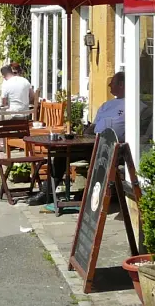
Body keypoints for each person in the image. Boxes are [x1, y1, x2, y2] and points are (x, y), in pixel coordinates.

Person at [28, 71, 129, 207]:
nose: (109, 85)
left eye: (113, 82)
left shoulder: (134, 105)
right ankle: (47, 192)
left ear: (122, 85)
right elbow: (93, 125)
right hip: (93, 143)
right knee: (61, 154)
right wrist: (81, 137)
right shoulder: (107, 105)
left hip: (112, 147)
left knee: (68, 156)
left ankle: (87, 193)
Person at [0, 64, 35, 137]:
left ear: (3, 76)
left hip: (13, 116)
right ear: (11, 72)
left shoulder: (6, 85)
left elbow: (4, 103)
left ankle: (1, 141)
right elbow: (32, 96)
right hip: (25, 115)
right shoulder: (25, 81)